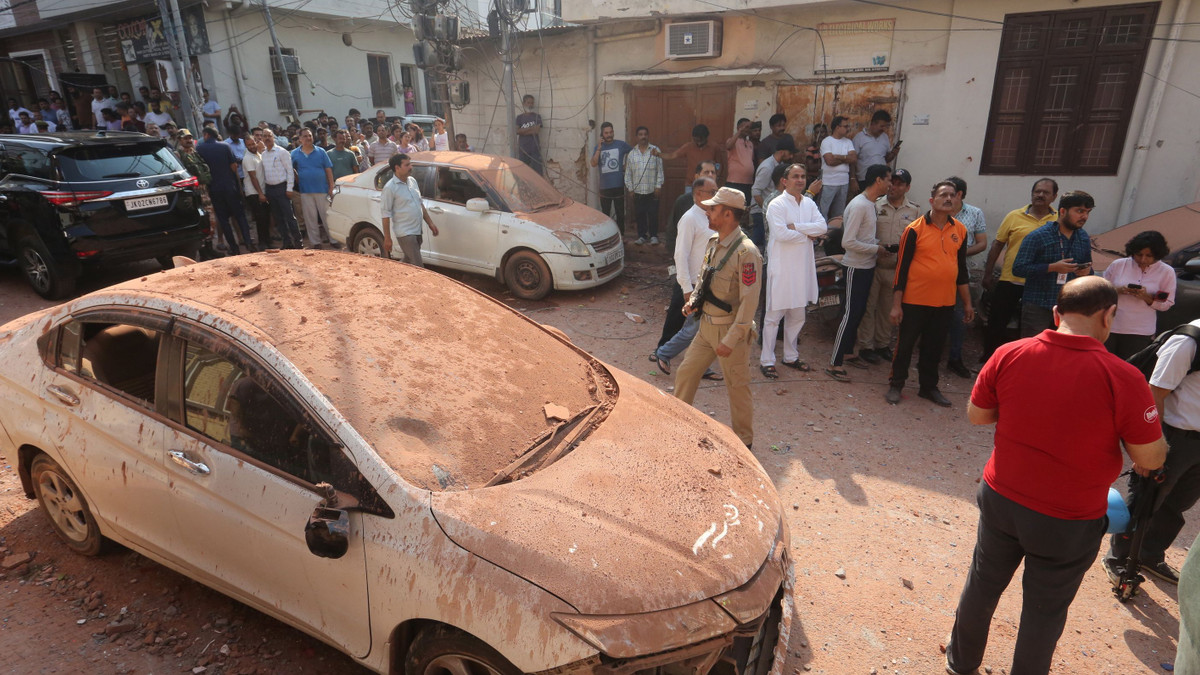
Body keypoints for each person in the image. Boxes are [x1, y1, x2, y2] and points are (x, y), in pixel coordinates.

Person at [947, 276, 1167, 675]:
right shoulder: (1123, 377)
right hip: (1068, 518)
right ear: (1109, 315)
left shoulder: (1010, 353)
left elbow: (978, 416)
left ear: (1056, 313)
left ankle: (960, 665)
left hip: (1001, 497)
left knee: (982, 584)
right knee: (1044, 611)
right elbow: (1150, 459)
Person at [1104, 316, 1200, 586]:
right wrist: (1149, 448)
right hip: (1173, 437)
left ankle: (1150, 554)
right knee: (1146, 500)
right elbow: (1154, 393)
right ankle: (1118, 558)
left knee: (1179, 503)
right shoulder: (1190, 340)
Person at [672, 186, 762, 449]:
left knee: (737, 387)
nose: (707, 212)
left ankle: (744, 442)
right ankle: (676, 424)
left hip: (729, 332)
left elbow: (749, 302)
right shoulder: (714, 243)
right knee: (686, 373)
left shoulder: (747, 253)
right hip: (706, 328)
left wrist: (733, 339)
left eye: (712, 209)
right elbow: (705, 279)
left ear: (728, 215)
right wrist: (693, 303)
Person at [886, 180, 973, 407]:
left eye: (953, 195)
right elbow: (901, 269)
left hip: (944, 302)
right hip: (914, 300)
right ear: (932, 200)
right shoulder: (914, 229)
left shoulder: (960, 231)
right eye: (943, 195)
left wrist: (967, 304)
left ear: (958, 200)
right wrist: (897, 305)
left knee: (934, 347)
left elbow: (961, 270)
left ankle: (928, 387)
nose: (948, 199)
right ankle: (896, 384)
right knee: (904, 345)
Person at [760, 163, 826, 378]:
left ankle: (790, 356)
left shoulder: (808, 204)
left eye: (803, 176)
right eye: (795, 176)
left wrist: (796, 227)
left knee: (797, 315)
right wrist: (809, 234)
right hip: (780, 266)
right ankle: (767, 360)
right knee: (773, 317)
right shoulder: (776, 204)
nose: (800, 180)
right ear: (785, 181)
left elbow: (823, 227)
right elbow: (780, 235)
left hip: (802, 268)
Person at [827, 164, 891, 382]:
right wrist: (875, 248)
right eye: (888, 179)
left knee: (859, 311)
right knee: (850, 313)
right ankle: (834, 363)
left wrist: (879, 245)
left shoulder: (870, 204)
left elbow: (863, 237)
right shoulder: (859, 205)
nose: (890, 184)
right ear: (879, 181)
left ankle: (847, 352)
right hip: (855, 266)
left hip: (867, 266)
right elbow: (848, 241)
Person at [652, 177, 722, 377]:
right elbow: (680, 255)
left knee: (703, 328)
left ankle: (698, 365)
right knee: (694, 328)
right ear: (698, 194)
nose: (716, 195)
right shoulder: (690, 218)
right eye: (712, 191)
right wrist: (686, 288)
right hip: (694, 282)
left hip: (709, 281)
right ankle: (664, 352)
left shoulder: (710, 217)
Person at [982, 178, 1059, 359]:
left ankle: (1021, 361)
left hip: (1041, 283)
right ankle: (989, 359)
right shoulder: (1014, 216)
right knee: (997, 321)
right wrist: (988, 274)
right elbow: (997, 245)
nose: (1040, 195)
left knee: (1031, 325)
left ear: (1054, 196)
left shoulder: (1058, 220)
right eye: (1037, 191)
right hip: (1011, 278)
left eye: (1045, 192)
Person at [1012, 191, 1094, 337]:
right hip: (1038, 305)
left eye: (1088, 212)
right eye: (1079, 211)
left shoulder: (1083, 237)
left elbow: (1088, 268)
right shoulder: (1038, 236)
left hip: (1070, 306)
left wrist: (1086, 272)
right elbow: (1018, 269)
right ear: (1062, 211)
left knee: (1063, 352)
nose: (1084, 217)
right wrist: (1052, 267)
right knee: (1034, 350)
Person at [857, 169, 918, 364]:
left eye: (900, 184)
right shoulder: (875, 205)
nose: (894, 186)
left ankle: (882, 344)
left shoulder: (915, 211)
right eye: (893, 182)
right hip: (873, 265)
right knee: (868, 307)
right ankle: (866, 346)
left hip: (896, 269)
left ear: (907, 188)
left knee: (887, 309)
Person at [1101, 230, 1176, 358]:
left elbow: (1167, 303)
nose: (1143, 259)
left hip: (1140, 332)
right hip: (1110, 326)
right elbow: (1099, 292)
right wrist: (1118, 290)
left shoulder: (1166, 272)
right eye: (1139, 254)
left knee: (1128, 370)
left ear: (1157, 255)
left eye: (1149, 256)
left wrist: (1146, 298)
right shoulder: (1118, 265)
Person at [944, 176, 988, 378]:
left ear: (959, 194)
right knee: (934, 315)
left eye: (950, 193)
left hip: (960, 273)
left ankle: (955, 357)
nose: (946, 197)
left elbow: (982, 243)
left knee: (959, 316)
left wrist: (960, 253)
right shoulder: (937, 212)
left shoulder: (974, 213)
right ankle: (931, 355)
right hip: (934, 273)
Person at [196, 127, 254, 255]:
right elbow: (234, 167)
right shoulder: (225, 146)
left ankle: (234, 248)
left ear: (206, 135)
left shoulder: (199, 149)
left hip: (214, 188)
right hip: (230, 186)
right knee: (240, 216)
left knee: (223, 220)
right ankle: (249, 243)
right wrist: (238, 187)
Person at [380, 153, 439, 267]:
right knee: (418, 266)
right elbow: (385, 214)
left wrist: (430, 223)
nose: (411, 167)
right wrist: (387, 238)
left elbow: (419, 204)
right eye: (407, 165)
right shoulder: (390, 188)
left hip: (417, 230)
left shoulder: (412, 181)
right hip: (405, 233)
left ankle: (393, 275)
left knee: (408, 260)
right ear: (397, 168)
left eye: (410, 164)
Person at [255, 129, 303, 249]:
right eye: (264, 136)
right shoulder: (263, 154)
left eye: (269, 136)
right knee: (278, 218)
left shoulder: (282, 152)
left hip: (282, 188)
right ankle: (287, 242)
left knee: (290, 217)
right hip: (270, 190)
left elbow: (290, 171)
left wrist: (289, 188)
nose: (267, 138)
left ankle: (298, 242)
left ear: (273, 137)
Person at [290, 128, 335, 249]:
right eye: (304, 136)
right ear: (299, 139)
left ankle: (333, 239)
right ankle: (316, 242)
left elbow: (328, 169)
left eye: (309, 135)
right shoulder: (294, 154)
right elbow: (290, 170)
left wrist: (331, 186)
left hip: (322, 189)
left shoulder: (321, 151)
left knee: (327, 217)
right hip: (305, 191)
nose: (308, 138)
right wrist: (297, 178)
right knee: (310, 218)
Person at [750, 137, 795, 249]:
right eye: (790, 153)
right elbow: (755, 191)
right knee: (760, 245)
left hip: (769, 210)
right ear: (782, 151)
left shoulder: (779, 164)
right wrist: (767, 210)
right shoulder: (767, 167)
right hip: (760, 212)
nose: (791, 156)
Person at [624, 126, 663, 246]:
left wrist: (658, 186)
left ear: (648, 136)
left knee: (653, 214)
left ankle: (654, 236)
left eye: (645, 134)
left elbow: (660, 170)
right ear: (637, 137)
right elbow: (628, 174)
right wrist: (630, 189)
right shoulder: (632, 154)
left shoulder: (655, 151)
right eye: (640, 134)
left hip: (652, 190)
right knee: (640, 214)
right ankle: (641, 236)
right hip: (638, 191)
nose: (643, 137)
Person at [591, 121, 632, 235]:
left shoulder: (621, 145)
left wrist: (627, 166)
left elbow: (634, 153)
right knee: (605, 214)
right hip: (605, 187)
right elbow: (593, 163)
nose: (609, 135)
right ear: (602, 134)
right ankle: (607, 235)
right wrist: (599, 148)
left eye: (610, 132)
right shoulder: (598, 147)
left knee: (620, 213)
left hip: (618, 184)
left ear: (613, 132)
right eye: (606, 133)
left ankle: (621, 235)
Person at [668, 161, 718, 251]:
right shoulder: (683, 201)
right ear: (697, 176)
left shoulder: (720, 202)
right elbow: (672, 231)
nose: (710, 175)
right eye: (706, 172)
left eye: (713, 172)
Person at [818, 115, 857, 220]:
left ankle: (835, 235)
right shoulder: (827, 141)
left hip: (843, 182)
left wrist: (839, 157)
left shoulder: (848, 142)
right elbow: (829, 161)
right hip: (828, 182)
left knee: (839, 214)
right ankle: (822, 234)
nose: (847, 129)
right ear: (837, 127)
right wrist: (846, 159)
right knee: (823, 212)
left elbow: (853, 159)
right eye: (845, 126)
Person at [852, 110, 899, 186]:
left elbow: (886, 159)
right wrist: (853, 179)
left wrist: (893, 154)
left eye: (886, 126)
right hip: (864, 179)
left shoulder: (885, 137)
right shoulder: (859, 138)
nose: (884, 129)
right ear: (873, 124)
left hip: (881, 179)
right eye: (882, 126)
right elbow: (852, 161)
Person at [242, 135, 273, 249]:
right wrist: (260, 193)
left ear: (256, 142)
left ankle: (267, 240)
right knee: (260, 218)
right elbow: (252, 177)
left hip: (262, 191)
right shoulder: (248, 158)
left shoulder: (258, 155)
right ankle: (262, 243)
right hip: (254, 193)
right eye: (248, 145)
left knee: (266, 217)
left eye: (252, 144)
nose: (251, 146)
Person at [725, 118, 755, 206]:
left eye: (749, 127)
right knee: (733, 207)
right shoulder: (733, 141)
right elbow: (728, 146)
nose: (747, 129)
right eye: (745, 127)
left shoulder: (750, 144)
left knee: (745, 208)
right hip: (734, 182)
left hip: (748, 183)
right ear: (738, 128)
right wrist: (739, 132)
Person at [516, 94, 544, 174]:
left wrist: (523, 130)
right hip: (523, 149)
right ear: (524, 103)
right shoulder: (519, 118)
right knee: (523, 172)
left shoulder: (537, 116)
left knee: (537, 172)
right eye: (528, 103)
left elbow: (536, 131)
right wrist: (531, 128)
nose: (530, 105)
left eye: (532, 103)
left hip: (535, 149)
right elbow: (517, 131)